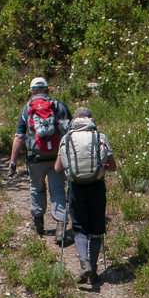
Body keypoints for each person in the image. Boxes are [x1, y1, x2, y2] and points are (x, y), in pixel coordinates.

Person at [54, 107, 117, 285]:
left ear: (74, 120)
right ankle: (94, 269)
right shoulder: (100, 137)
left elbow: (57, 168)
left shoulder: (67, 138)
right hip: (96, 187)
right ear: (91, 119)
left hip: (76, 188)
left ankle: (84, 263)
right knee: (96, 230)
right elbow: (113, 167)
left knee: (79, 228)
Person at [8, 77, 72, 244]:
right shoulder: (59, 106)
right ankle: (60, 227)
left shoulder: (26, 110)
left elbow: (19, 137)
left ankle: (38, 225)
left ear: (31, 91)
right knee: (57, 190)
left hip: (34, 157)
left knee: (37, 189)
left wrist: (13, 162)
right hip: (57, 157)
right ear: (48, 89)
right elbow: (70, 132)